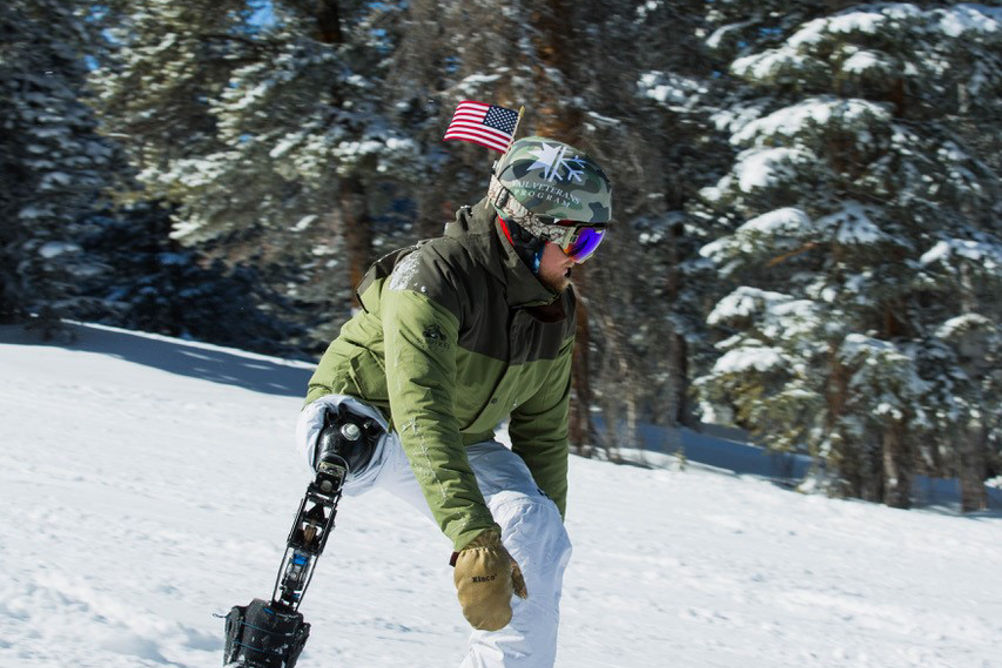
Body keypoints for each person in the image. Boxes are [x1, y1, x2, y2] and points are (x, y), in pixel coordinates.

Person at [295, 135, 612, 667]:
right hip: (362, 420)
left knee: (534, 526)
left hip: (461, 437)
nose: (579, 263)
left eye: (592, 247)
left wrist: (543, 542)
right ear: (529, 229)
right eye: (578, 245)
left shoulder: (555, 307)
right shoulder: (435, 276)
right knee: (503, 525)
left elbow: (544, 432)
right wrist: (473, 534)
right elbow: (421, 409)